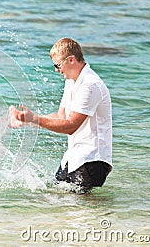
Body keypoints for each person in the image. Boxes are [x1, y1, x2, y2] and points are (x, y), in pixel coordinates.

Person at [9, 38, 112, 193]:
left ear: (70, 60)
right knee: (54, 197)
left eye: (57, 65)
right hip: (74, 157)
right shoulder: (71, 81)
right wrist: (28, 120)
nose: (56, 70)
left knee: (77, 210)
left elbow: (71, 126)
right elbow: (60, 116)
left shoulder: (90, 85)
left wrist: (34, 119)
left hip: (91, 160)